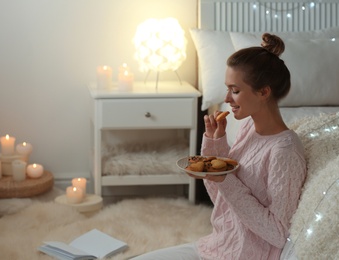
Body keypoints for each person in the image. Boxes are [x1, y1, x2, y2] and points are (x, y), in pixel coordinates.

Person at [131, 33, 307, 260]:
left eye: (235, 90)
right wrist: (215, 143)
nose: (227, 98)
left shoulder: (284, 151)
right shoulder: (248, 129)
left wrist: (224, 177)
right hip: (216, 246)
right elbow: (223, 203)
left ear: (264, 92)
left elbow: (278, 233)